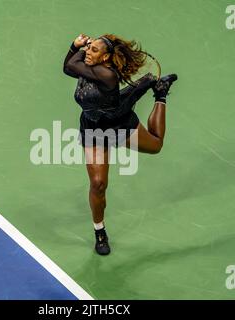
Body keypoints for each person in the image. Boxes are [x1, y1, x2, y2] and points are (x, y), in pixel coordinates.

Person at [63, 33, 178, 255]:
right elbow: (68, 68)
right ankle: (100, 231)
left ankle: (160, 95)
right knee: (98, 184)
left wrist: (76, 46)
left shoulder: (107, 74)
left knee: (156, 146)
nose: (88, 52)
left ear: (106, 57)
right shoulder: (87, 66)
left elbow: (70, 63)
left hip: (119, 123)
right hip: (93, 130)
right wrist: (80, 48)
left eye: (94, 50)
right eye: (89, 49)